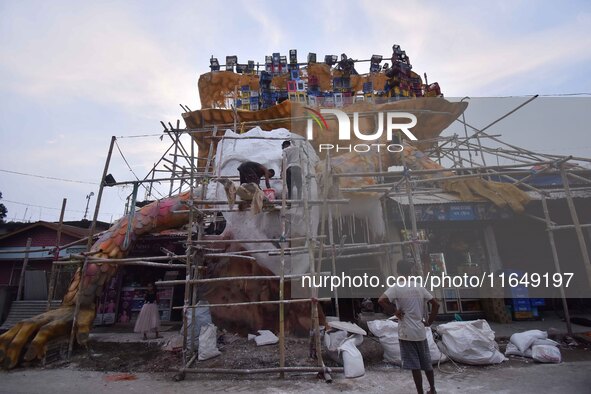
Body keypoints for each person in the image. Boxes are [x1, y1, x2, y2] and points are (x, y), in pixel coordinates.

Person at [378, 259, 440, 394]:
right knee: (426, 363)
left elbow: (381, 300)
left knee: (415, 366)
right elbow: (436, 304)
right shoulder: (419, 287)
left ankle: (420, 392)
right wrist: (429, 322)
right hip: (420, 331)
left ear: (398, 271)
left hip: (406, 333)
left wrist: (394, 311)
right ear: (410, 271)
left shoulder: (396, 287)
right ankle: (433, 389)